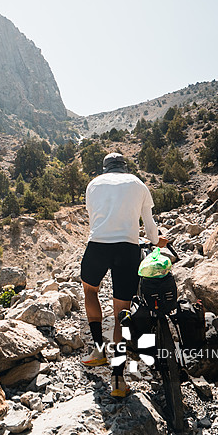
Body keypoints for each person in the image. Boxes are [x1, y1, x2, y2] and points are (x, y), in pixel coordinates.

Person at [80, 151, 167, 397]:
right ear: (125, 167)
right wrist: (156, 241)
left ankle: (98, 351)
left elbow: (94, 217)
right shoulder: (138, 184)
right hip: (128, 248)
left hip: (98, 246)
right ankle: (118, 380)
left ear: (105, 168)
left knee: (90, 290)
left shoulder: (93, 184)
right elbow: (149, 223)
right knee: (121, 313)